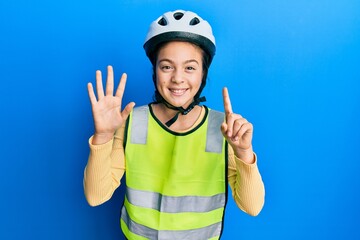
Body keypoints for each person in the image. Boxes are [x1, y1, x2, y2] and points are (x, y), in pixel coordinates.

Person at [84, 9, 265, 240]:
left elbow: (253, 207)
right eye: (166, 66)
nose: (178, 78)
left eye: (190, 67)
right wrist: (103, 136)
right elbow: (95, 196)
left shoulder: (225, 129)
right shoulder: (131, 122)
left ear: (203, 74)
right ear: (155, 70)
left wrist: (243, 152)